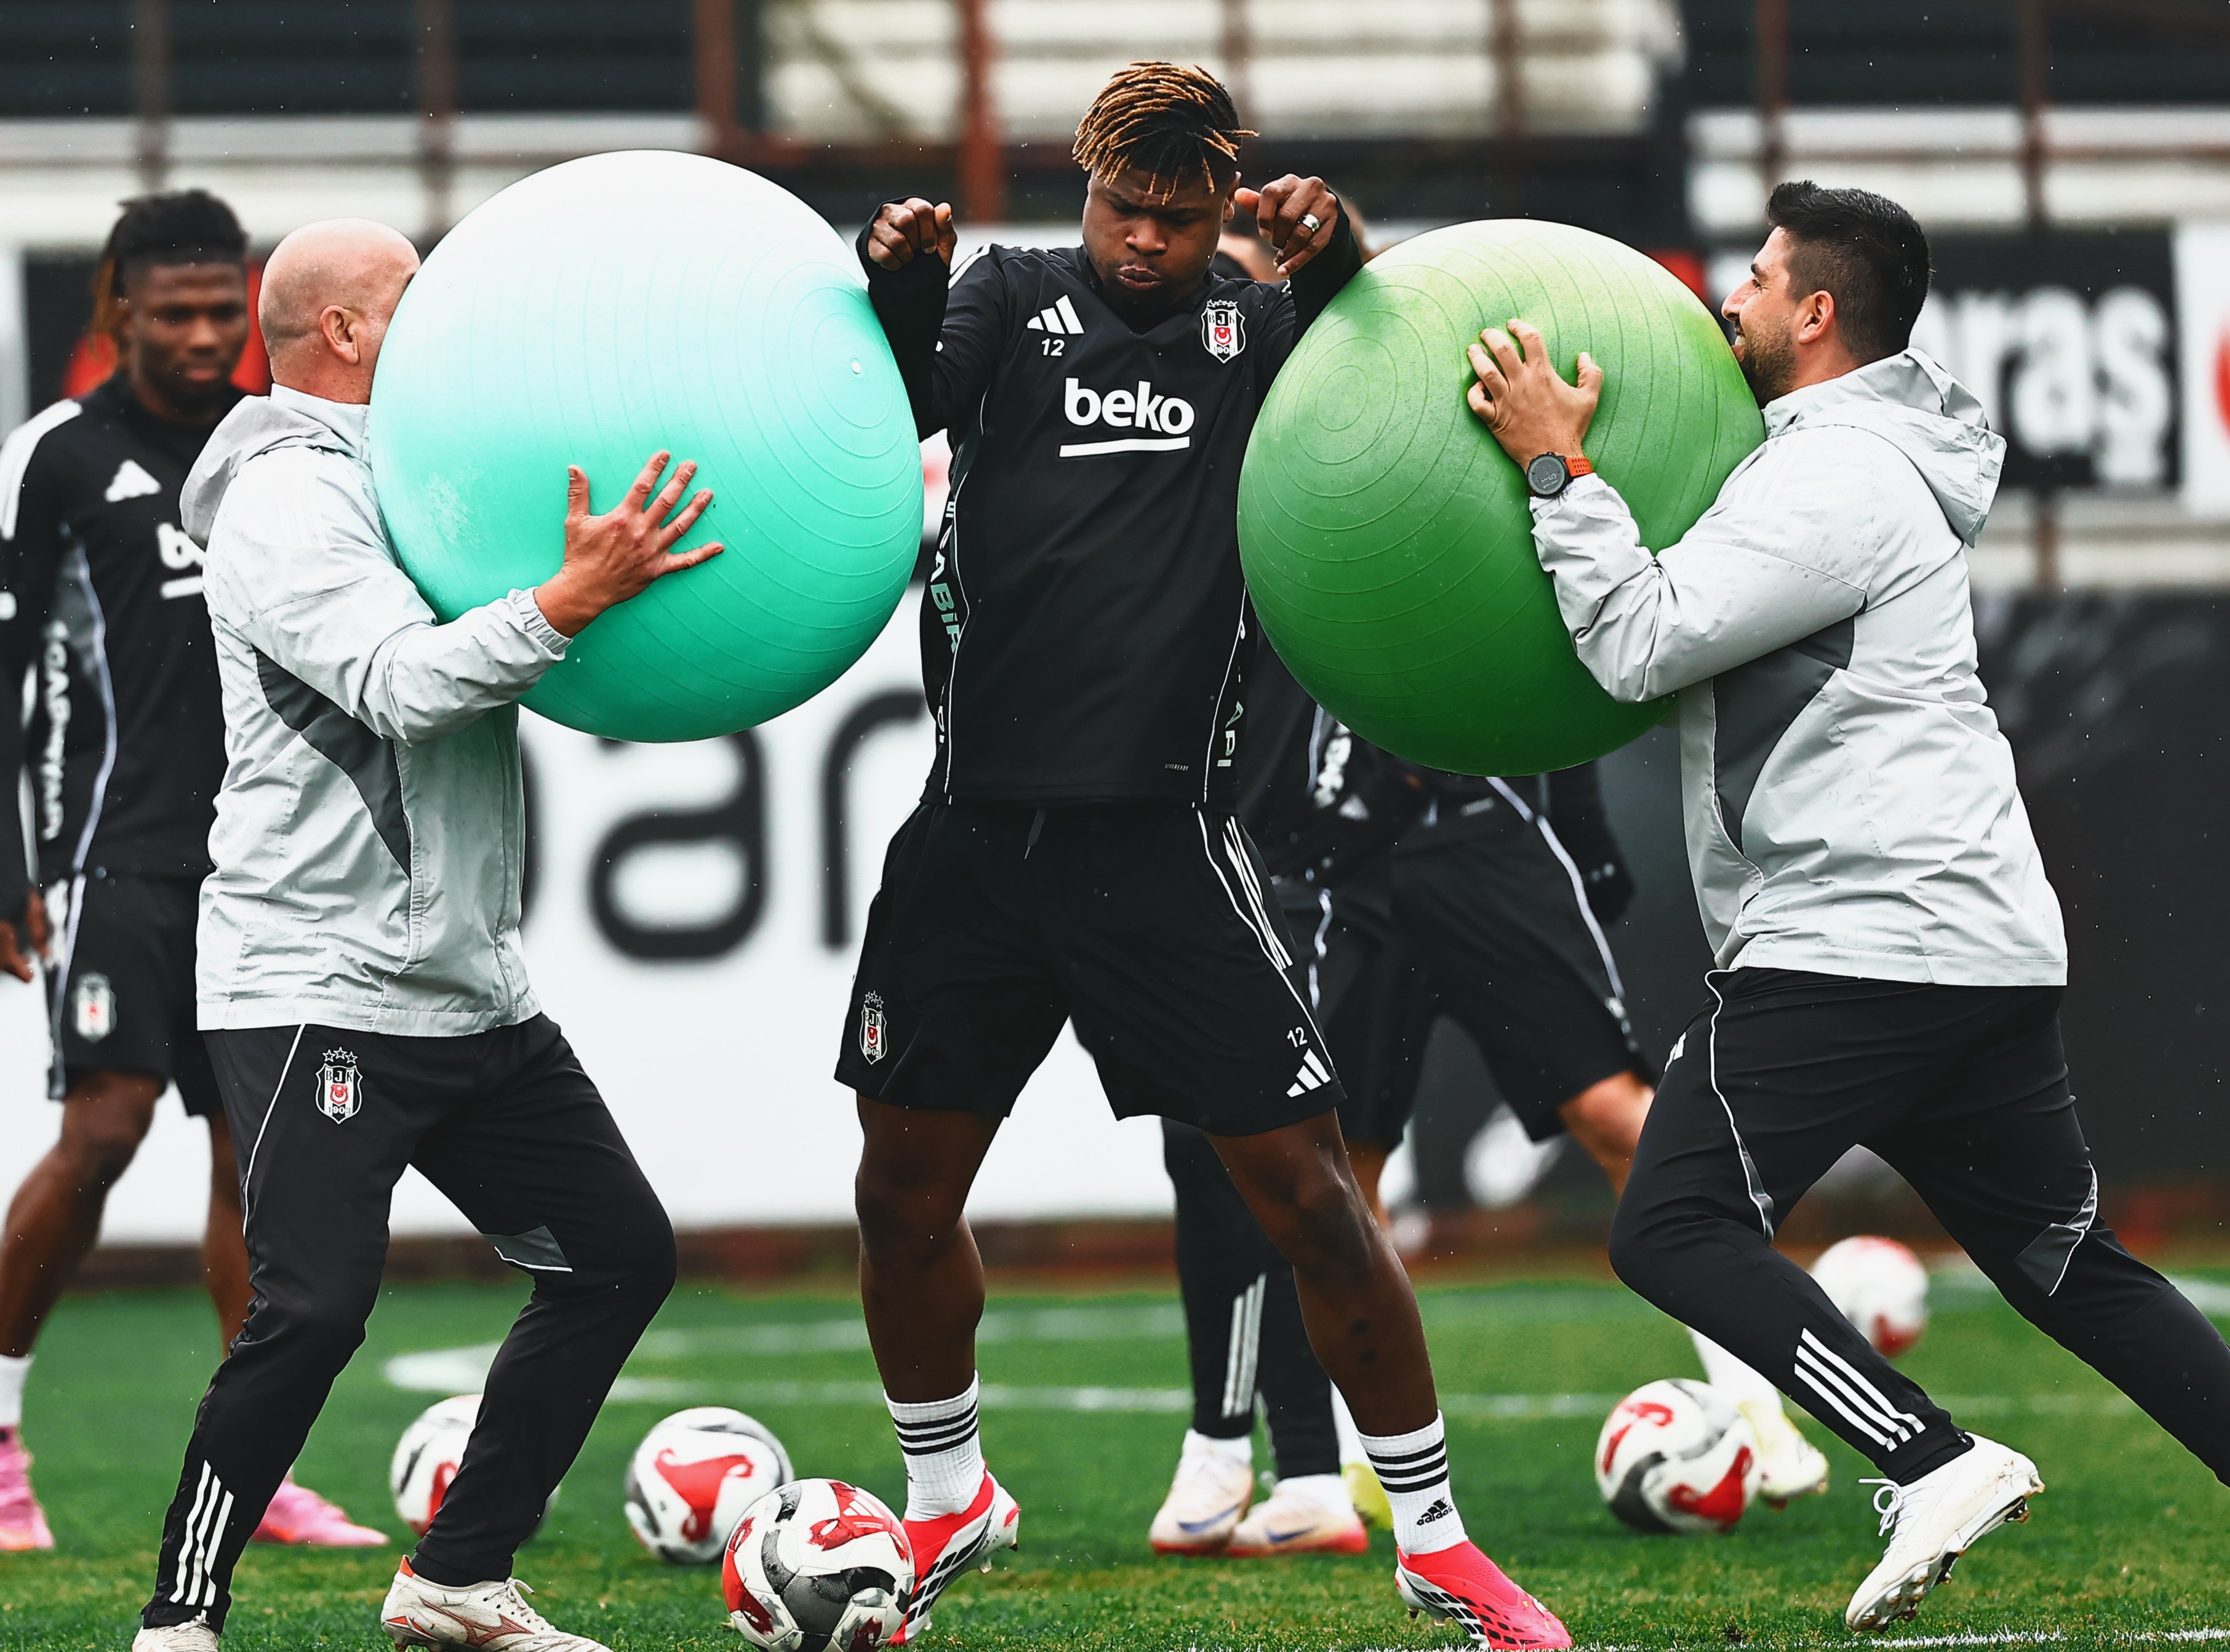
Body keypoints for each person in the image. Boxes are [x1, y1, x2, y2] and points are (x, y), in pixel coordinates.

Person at [840, 61, 1569, 1650]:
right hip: (971, 840)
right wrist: (896, 282)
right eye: (1124, 211)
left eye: (1177, 221)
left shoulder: (1257, 333)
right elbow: (904, 404)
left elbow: (1392, 369)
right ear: (1087, 191)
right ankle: (947, 1489)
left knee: (1308, 1196)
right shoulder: (1007, 298)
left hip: (1163, 844)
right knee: (900, 1195)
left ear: (1219, 213)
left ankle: (1436, 1541)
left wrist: (1340, 247)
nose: (1146, 244)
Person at [1465, 178, 2230, 1632]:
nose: (1732, 299)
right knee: (2069, 1268)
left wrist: (1557, 470)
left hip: (1864, 936)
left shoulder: (1836, 474)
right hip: (1961, 937)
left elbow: (1642, 643)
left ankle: (1929, 1459)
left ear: (1815, 312)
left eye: (1757, 278)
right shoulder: (1838, 460)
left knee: (1669, 1227)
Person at [130, 218, 710, 1652]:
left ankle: (456, 1577)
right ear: (343, 332)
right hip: (315, 983)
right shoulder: (284, 498)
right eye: (414, 302)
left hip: (467, 987)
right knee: (314, 1308)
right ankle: (179, 1618)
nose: (450, 327)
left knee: (617, 1256)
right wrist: (567, 600)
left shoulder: (422, 473)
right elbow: (398, 683)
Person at [1149, 652, 1829, 1558]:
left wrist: (1583, 828)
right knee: (1337, 1168)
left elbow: (1529, 637)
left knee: (1617, 1117)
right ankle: (1360, 1466)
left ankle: (1760, 1409)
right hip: (1339, 861)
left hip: (1480, 829)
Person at [0, 190, 378, 1552]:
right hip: (116, 855)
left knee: (255, 1165)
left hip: (261, 864)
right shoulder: (58, 456)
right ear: (118, 310)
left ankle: (254, 1472)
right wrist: (8, 860)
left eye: (226, 310)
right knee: (103, 1132)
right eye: (176, 313)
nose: (207, 336)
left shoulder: (281, 448)